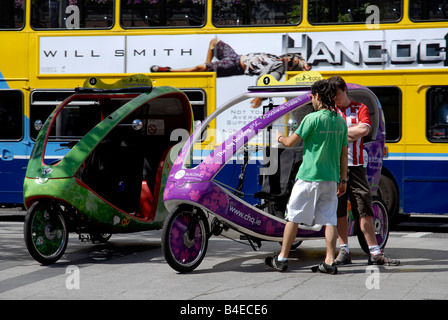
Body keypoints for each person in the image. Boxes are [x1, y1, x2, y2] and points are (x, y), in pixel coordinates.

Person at [265, 79, 348, 274]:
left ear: (318, 96)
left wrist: (278, 137)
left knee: (292, 217)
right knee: (330, 220)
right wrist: (343, 179)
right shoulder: (340, 121)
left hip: (309, 177)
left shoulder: (312, 119)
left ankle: (282, 259)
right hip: (331, 178)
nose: (311, 100)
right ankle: (329, 260)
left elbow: (290, 143)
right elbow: (344, 154)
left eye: (312, 97)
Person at [328, 75, 400, 266]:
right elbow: (331, 134)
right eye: (331, 95)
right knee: (339, 211)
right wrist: (348, 133)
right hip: (334, 168)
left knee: (364, 209)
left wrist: (337, 133)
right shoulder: (329, 110)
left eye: (337, 94)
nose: (334, 98)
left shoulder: (360, 108)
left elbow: (364, 130)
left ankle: (375, 252)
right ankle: (344, 250)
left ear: (345, 90)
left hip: (357, 167)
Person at [150, 38, 311, 108]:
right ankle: (207, 68)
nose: (289, 59)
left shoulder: (278, 66)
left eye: (291, 63)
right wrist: (304, 64)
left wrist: (258, 98)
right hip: (234, 56)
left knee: (198, 68)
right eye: (290, 58)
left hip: (233, 65)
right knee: (214, 42)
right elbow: (298, 59)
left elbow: (268, 80)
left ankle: (170, 70)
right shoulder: (276, 57)